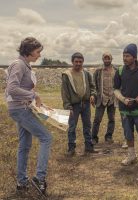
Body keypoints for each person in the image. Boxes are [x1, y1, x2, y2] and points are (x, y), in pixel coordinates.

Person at [5, 37, 52, 196]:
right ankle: (39, 178)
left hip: (21, 108)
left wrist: (40, 105)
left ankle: (21, 183)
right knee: (46, 138)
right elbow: (12, 89)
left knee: (25, 145)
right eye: (38, 52)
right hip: (20, 110)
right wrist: (34, 95)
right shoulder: (19, 65)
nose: (39, 55)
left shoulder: (24, 65)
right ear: (29, 51)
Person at [61, 52, 97, 156]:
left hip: (85, 104)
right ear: (72, 62)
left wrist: (93, 95)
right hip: (73, 106)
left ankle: (89, 146)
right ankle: (71, 148)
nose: (78, 64)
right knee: (72, 126)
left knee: (87, 125)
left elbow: (92, 87)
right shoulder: (66, 75)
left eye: (80, 62)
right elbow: (64, 92)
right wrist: (68, 106)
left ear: (83, 62)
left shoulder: (86, 73)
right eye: (76, 61)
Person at [91, 52, 116, 144]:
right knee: (97, 119)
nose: (107, 60)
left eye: (108, 58)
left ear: (111, 59)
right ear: (102, 59)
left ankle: (109, 136)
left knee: (112, 119)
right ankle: (94, 138)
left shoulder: (115, 70)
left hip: (112, 99)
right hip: (101, 98)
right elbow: (93, 85)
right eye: (105, 58)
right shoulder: (98, 71)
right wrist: (93, 95)